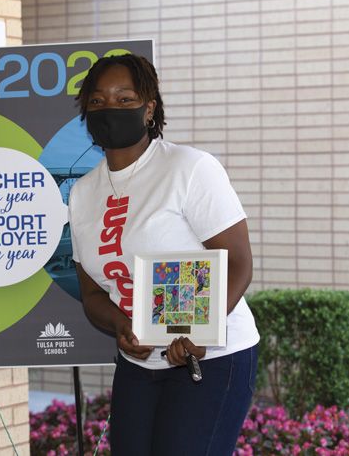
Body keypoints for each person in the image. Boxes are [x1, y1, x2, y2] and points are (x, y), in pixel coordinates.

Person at [68, 54, 259, 455]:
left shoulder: (189, 168)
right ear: (86, 110)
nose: (110, 109)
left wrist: (197, 330)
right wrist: (121, 324)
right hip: (138, 364)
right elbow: (92, 295)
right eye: (98, 100)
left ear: (149, 107)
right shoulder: (83, 193)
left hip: (212, 359)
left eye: (125, 99)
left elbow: (239, 261)